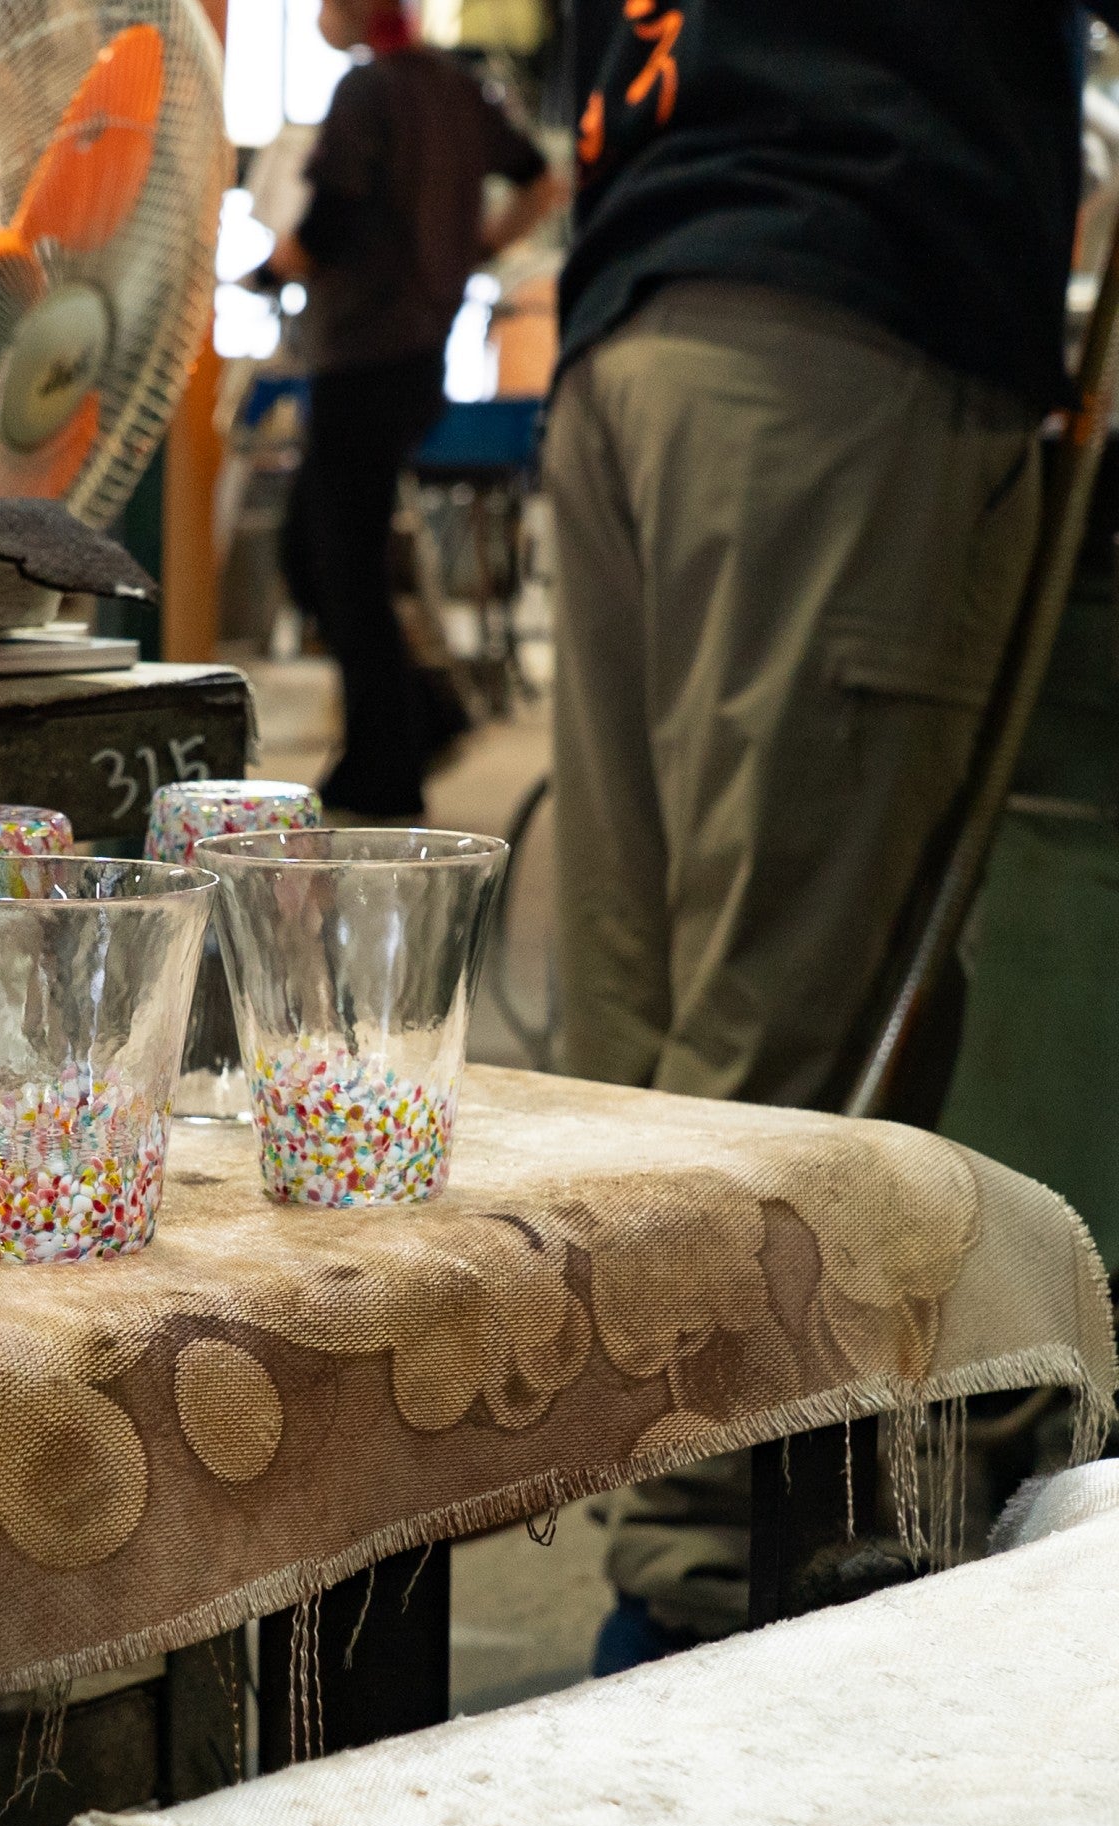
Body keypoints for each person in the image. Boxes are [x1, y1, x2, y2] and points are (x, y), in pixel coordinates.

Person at [548, 2, 1115, 1667]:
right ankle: (712, 1626)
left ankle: (667, 1575)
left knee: (636, 1058)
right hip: (839, 322)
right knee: (787, 1057)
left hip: (636, 310)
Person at [267, 0, 563, 818]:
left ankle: (388, 763)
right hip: (419, 358)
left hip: (363, 355)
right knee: (317, 549)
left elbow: (326, 221)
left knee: (339, 564)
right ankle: (422, 719)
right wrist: (476, 252)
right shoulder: (459, 93)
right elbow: (542, 180)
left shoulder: (368, 92)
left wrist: (268, 269)